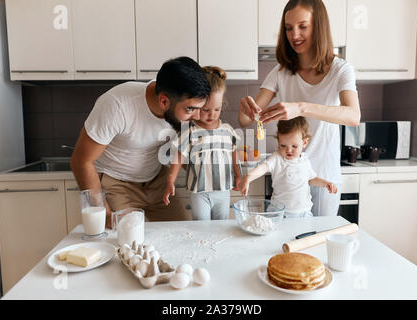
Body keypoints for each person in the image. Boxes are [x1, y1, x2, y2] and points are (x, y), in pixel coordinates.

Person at [238, 0, 360, 217]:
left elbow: (353, 116)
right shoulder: (280, 72)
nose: (294, 35)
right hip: (287, 177)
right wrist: (246, 110)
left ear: (319, 26)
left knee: (317, 243)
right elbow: (248, 120)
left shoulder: (341, 70)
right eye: (288, 28)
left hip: (323, 174)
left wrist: (301, 107)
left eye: (303, 26)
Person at [70, 56, 211, 228]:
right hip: (116, 184)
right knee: (130, 241)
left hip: (156, 180)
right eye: (191, 109)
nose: (196, 117)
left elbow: (183, 153)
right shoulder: (118, 105)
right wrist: (104, 213)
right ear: (164, 101)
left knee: (182, 232)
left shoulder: (178, 107)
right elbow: (81, 161)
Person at [163, 66, 241, 220]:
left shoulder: (227, 131)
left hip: (223, 191)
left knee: (221, 228)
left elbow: (234, 155)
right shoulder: (189, 131)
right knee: (201, 228)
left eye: (217, 109)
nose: (212, 114)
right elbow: (178, 157)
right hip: (199, 193)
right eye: (206, 110)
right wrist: (170, 181)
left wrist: (239, 176)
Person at [240, 117, 337, 218]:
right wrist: (248, 178)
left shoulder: (304, 160)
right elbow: (263, 168)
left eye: (294, 146)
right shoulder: (277, 158)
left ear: (304, 143)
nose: (288, 150)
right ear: (278, 142)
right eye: (283, 145)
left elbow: (312, 179)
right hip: (279, 213)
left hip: (304, 213)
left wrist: (326, 183)